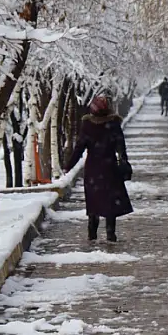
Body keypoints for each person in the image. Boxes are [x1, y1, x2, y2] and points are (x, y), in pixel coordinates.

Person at [66, 96, 133, 242]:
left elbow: (79, 147)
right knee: (110, 202)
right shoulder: (114, 123)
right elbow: (121, 145)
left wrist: (68, 166)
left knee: (94, 201)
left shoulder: (88, 124)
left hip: (93, 169)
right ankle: (110, 233)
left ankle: (92, 233)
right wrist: (123, 160)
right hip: (109, 168)